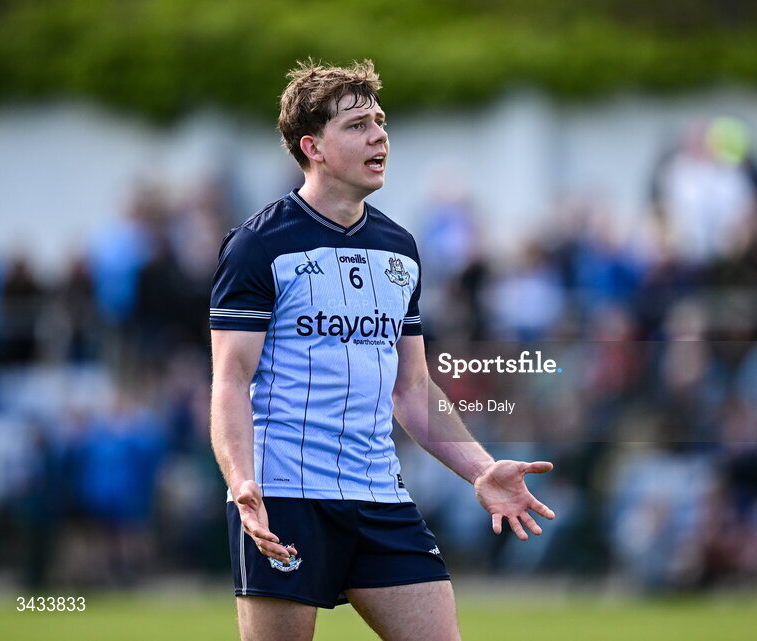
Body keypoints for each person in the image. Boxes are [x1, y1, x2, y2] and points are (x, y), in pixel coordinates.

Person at [209, 59, 554, 641]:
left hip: (379, 495)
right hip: (285, 497)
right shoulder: (257, 246)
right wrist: (242, 480)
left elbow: (412, 389)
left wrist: (480, 470)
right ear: (312, 146)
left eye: (381, 121)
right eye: (358, 125)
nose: (379, 136)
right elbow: (229, 381)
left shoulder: (400, 248)